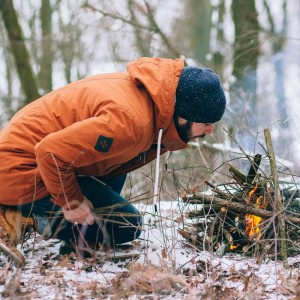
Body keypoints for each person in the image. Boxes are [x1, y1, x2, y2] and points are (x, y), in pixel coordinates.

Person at [0, 57, 226, 266]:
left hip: (34, 162)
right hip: (20, 170)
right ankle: (13, 218)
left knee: (119, 163)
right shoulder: (131, 122)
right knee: (126, 225)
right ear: (184, 113)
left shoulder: (151, 101)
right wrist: (71, 202)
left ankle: (74, 234)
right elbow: (49, 153)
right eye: (206, 121)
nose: (210, 129)